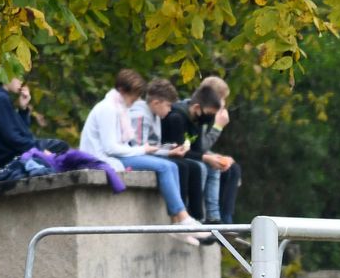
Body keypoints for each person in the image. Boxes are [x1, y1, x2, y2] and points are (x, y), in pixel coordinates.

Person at [78, 69, 206, 243]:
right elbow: (110, 148)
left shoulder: (117, 107)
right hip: (102, 158)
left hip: (113, 154)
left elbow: (120, 145)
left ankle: (177, 222)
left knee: (172, 165)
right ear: (122, 91)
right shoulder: (108, 109)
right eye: (134, 96)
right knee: (164, 166)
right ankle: (183, 218)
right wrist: (142, 150)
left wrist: (150, 150)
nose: (135, 100)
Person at [129, 79, 205, 224]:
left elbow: (153, 145)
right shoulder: (140, 116)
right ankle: (179, 219)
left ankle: (196, 218)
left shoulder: (156, 115)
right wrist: (167, 153)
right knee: (180, 166)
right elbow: (139, 149)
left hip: (147, 154)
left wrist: (169, 148)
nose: (170, 110)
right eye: (168, 105)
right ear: (156, 103)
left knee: (194, 167)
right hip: (134, 156)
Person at [195, 75, 241, 225]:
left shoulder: (207, 113)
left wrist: (217, 156)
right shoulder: (198, 111)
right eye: (222, 99)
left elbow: (201, 146)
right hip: (189, 157)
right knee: (217, 167)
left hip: (196, 153)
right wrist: (218, 127)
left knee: (233, 168)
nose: (224, 104)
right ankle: (215, 218)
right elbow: (201, 147)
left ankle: (226, 219)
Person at [0, 78, 39, 167]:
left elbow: (21, 133)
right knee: (59, 147)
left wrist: (23, 109)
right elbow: (13, 138)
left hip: (15, 157)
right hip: (15, 158)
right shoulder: (0, 99)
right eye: (18, 77)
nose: (21, 82)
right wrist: (38, 149)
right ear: (6, 76)